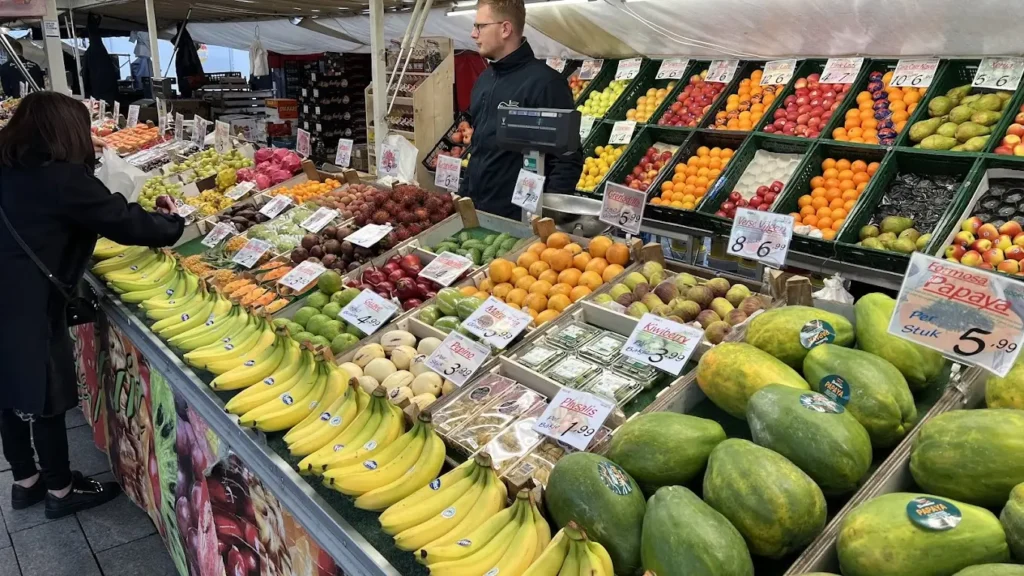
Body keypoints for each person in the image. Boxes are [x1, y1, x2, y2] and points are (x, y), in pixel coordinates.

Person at [0, 91, 184, 519]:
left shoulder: (9, 165)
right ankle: (61, 491)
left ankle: (25, 481)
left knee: (7, 391)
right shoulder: (62, 178)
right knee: (42, 391)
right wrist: (172, 223)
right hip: (26, 300)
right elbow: (123, 221)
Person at [462, 0, 582, 220]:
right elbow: (479, 146)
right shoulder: (484, 80)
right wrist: (464, 196)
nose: (473, 34)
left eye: (480, 26)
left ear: (505, 28)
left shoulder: (545, 83)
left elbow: (567, 159)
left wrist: (547, 218)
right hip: (477, 212)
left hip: (519, 220)